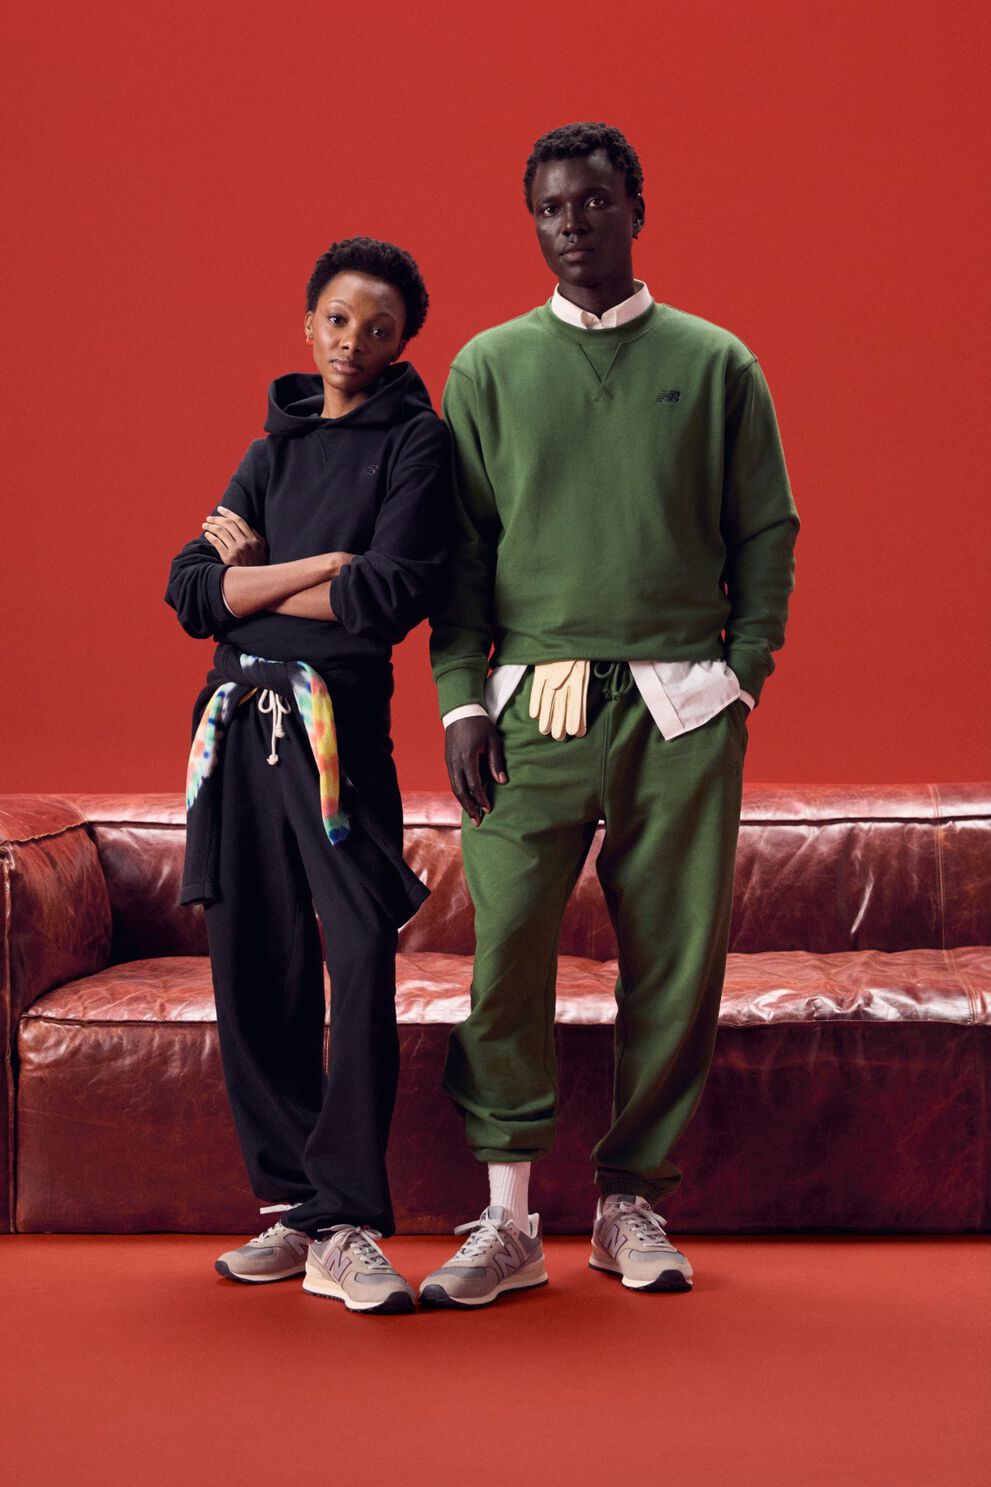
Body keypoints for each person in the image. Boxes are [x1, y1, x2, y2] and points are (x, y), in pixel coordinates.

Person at [423, 122, 799, 1307]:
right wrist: (458, 700)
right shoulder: (487, 365)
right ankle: (507, 1215)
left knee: (676, 964)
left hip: (682, 701)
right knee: (506, 954)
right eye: (548, 208)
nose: (570, 225)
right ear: (530, 220)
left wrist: (742, 668)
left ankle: (634, 1197)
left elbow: (766, 529)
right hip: (533, 698)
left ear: (638, 206)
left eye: (591, 202)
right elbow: (460, 550)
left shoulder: (718, 360)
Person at [166, 237, 449, 1315]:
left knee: (360, 950)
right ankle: (294, 1207)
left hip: (333, 728)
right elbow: (189, 593)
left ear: (400, 343)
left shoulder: (416, 443)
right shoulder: (269, 447)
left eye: (378, 327)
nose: (353, 341)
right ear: (307, 323)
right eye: (337, 319)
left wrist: (252, 580)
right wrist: (314, 567)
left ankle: (347, 1219)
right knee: (253, 955)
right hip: (235, 728)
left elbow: (387, 596)